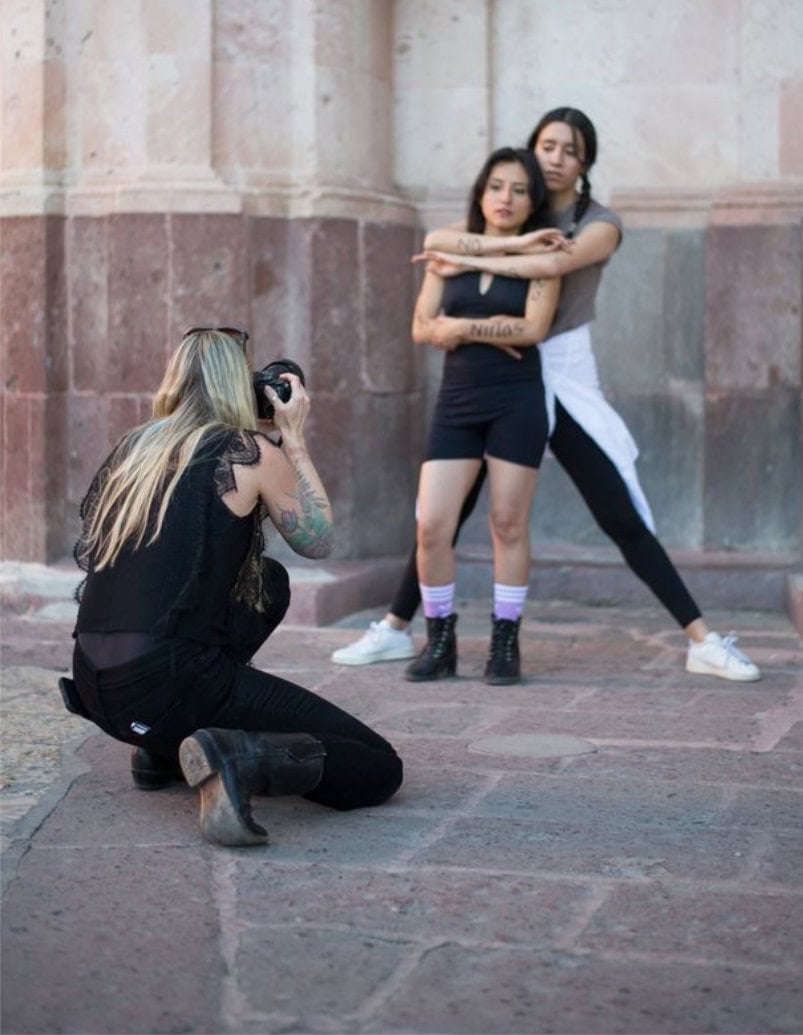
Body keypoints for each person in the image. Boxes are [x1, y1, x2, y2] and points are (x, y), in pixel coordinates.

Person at [332, 107, 761, 683]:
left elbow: (551, 262)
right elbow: (443, 244)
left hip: (559, 367)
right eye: (547, 146)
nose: (555, 158)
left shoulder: (599, 222)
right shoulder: (513, 206)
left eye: (570, 150)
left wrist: (463, 261)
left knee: (616, 510)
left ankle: (703, 640)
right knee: (442, 516)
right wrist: (469, 255)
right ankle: (395, 627)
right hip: (493, 372)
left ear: (586, 163)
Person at [62, 327, 402, 847]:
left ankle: (159, 750)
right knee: (376, 767)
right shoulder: (245, 451)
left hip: (92, 682)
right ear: (235, 385)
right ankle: (237, 758)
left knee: (269, 582)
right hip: (168, 680)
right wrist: (295, 440)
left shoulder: (135, 450)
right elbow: (317, 540)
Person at [401, 146, 560, 685]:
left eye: (519, 189)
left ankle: (504, 640)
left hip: (517, 399)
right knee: (431, 528)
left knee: (507, 524)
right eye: (497, 186)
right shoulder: (448, 247)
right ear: (481, 191)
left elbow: (533, 329)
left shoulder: (546, 255)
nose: (506, 198)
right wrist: (484, 312)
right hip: (458, 403)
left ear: (533, 199)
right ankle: (439, 639)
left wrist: (463, 327)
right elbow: (422, 326)